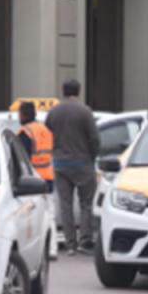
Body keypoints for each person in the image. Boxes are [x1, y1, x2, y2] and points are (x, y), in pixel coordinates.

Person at [45, 80, 100, 254]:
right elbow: (94, 138)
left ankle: (70, 245)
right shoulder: (85, 111)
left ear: (63, 91)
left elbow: (47, 135)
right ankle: (85, 241)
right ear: (79, 92)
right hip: (83, 163)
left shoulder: (53, 112)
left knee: (65, 204)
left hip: (61, 164)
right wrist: (92, 156)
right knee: (86, 204)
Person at [17, 101, 54, 189]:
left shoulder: (25, 132)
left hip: (33, 179)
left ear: (22, 114)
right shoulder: (45, 129)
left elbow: (22, 158)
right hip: (49, 177)